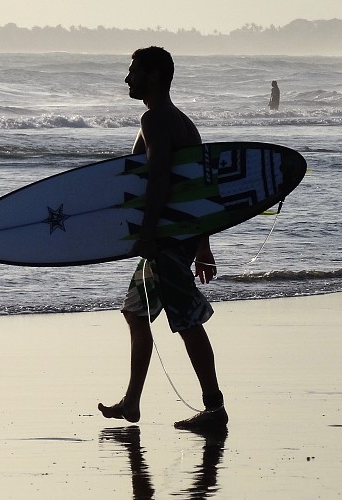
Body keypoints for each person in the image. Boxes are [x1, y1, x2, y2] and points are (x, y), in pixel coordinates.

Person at [98, 47, 228, 432]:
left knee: (187, 321)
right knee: (135, 312)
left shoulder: (156, 120)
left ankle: (214, 408)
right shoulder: (180, 122)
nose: (127, 79)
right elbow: (198, 188)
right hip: (177, 236)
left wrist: (150, 235)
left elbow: (157, 182)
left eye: (134, 71)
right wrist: (203, 245)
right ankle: (132, 402)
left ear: (153, 76)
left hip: (167, 238)